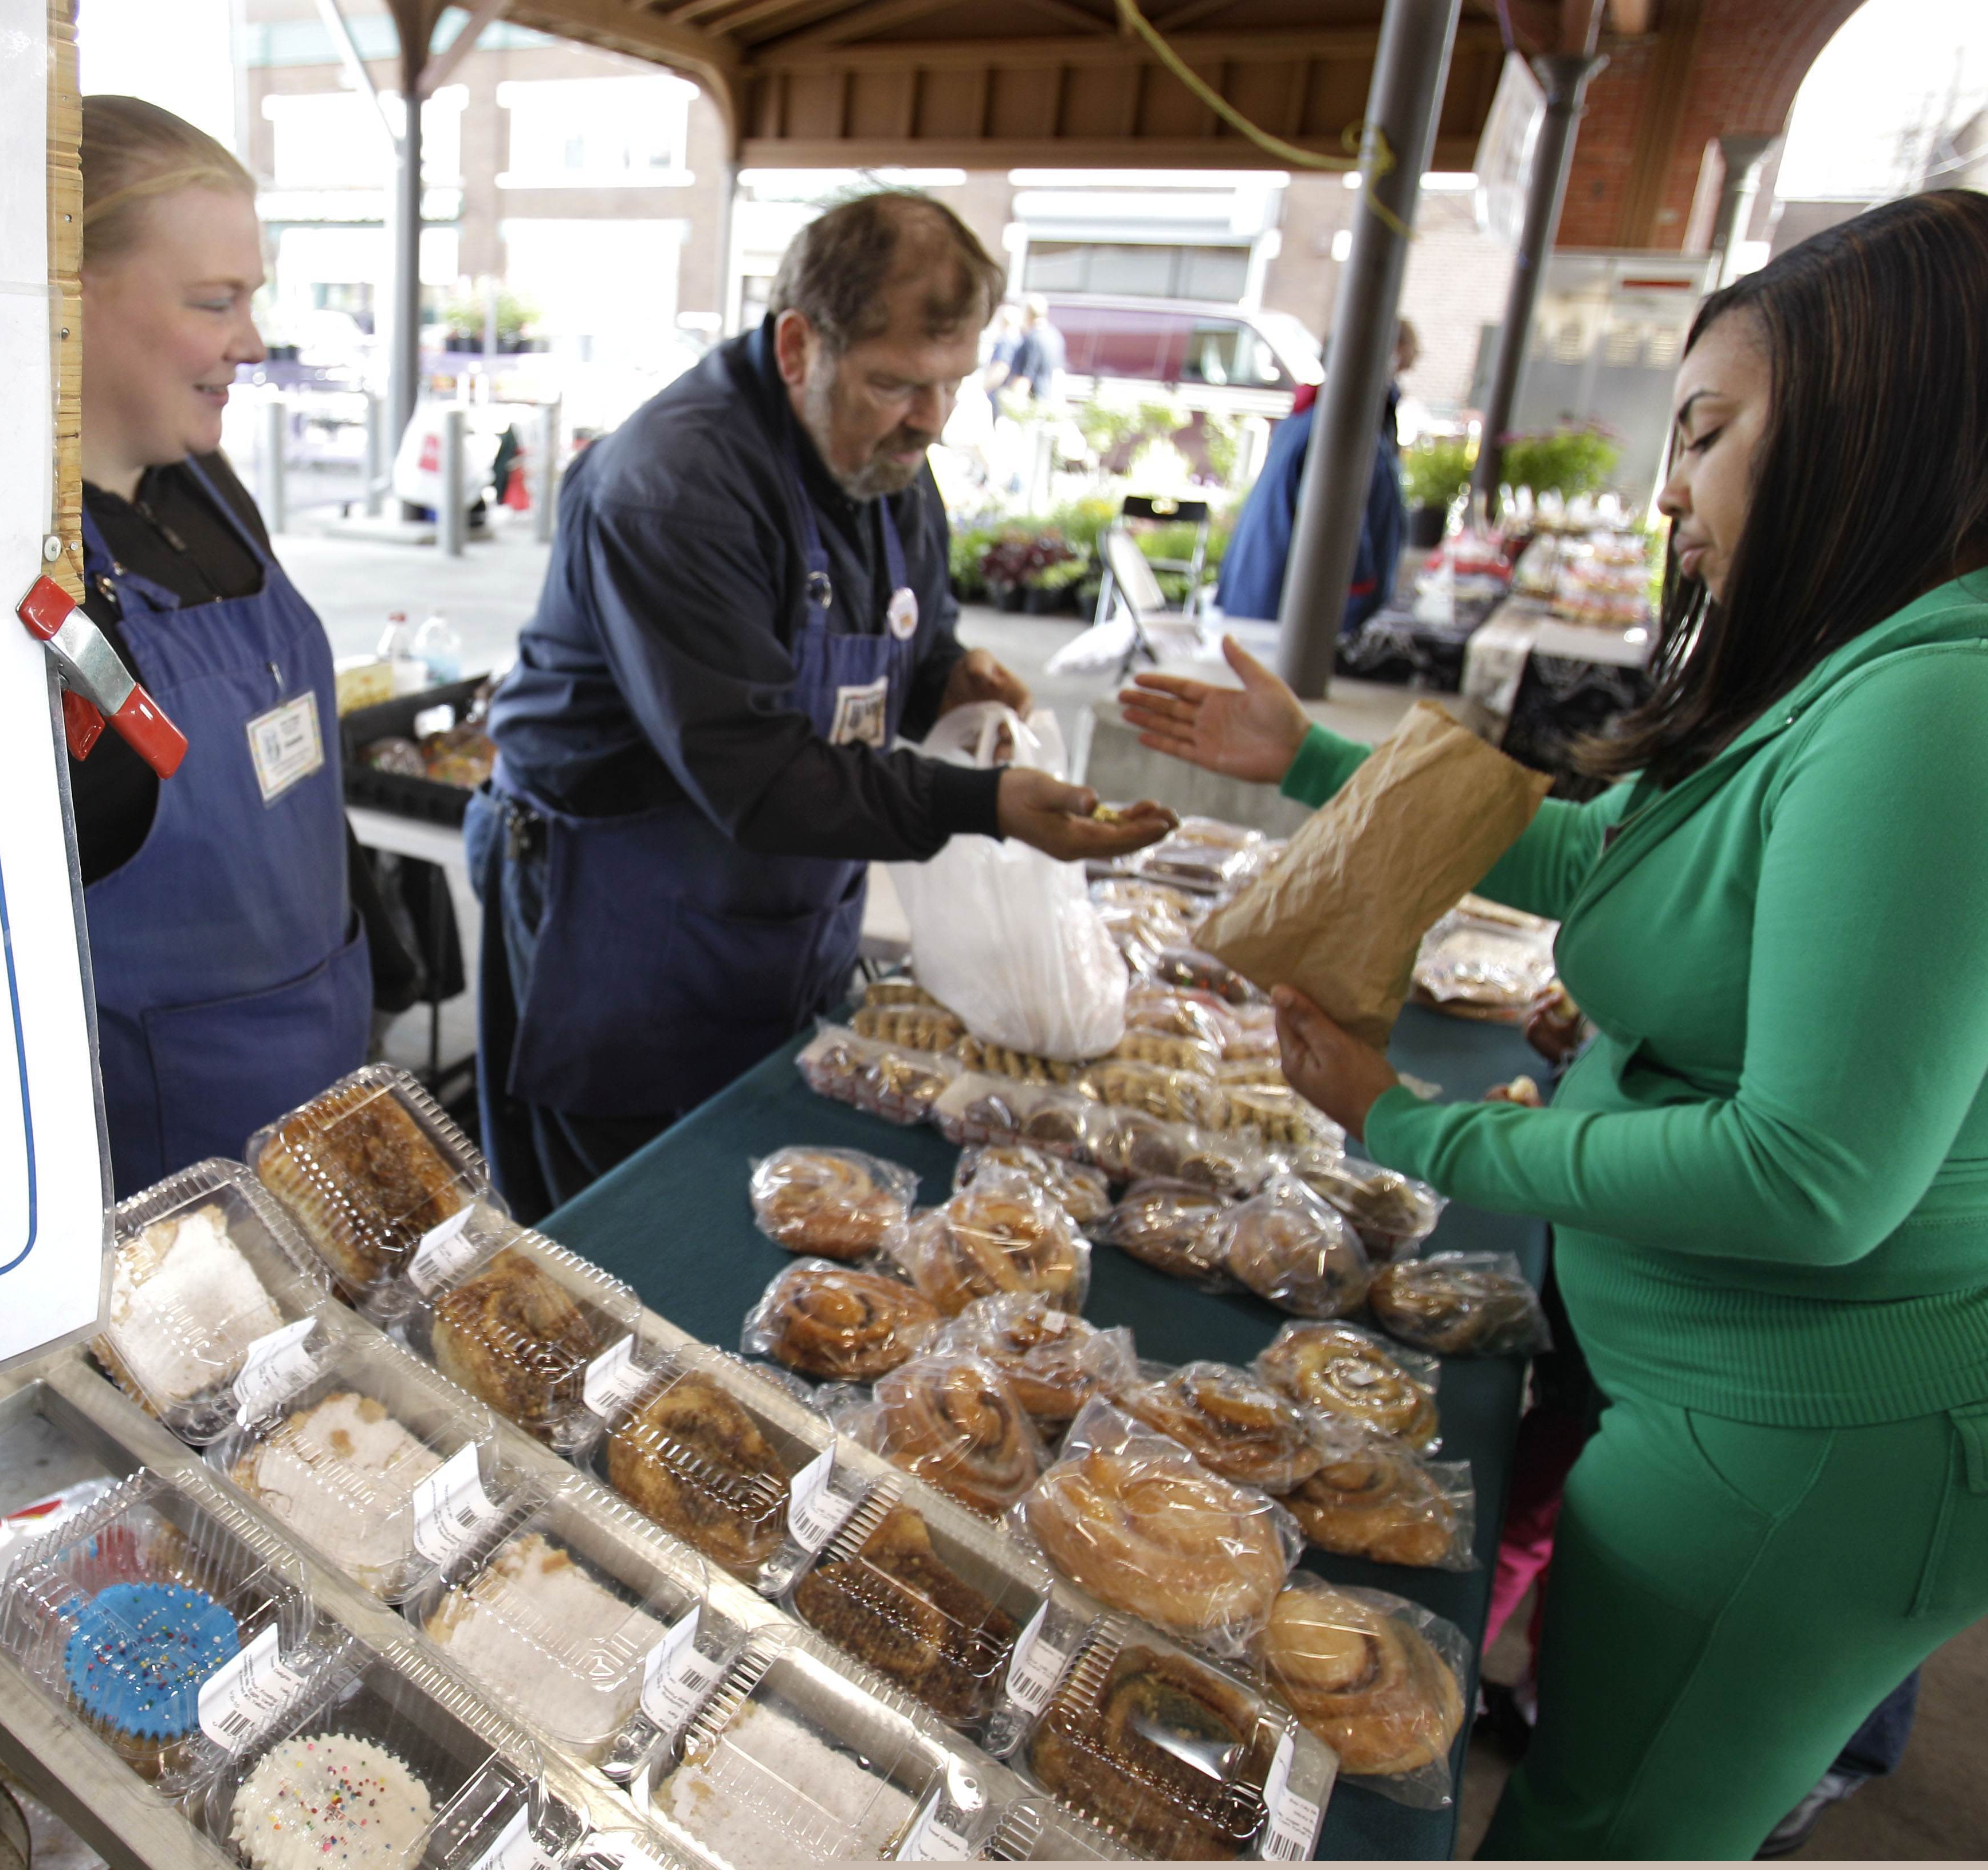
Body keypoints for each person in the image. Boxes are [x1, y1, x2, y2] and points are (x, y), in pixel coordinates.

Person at [1119, 190, 1988, 1857]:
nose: (1668, 487)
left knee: (1603, 1827)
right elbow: (1631, 852)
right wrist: (1310, 758)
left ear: (1880, 428)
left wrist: (1410, 1121)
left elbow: (1816, 1175)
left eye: (1711, 432)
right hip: (1728, 1406)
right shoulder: (1864, 667)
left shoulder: (1936, 706)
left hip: (1809, 1444)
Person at [469, 192, 1175, 1221]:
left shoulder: (888, 458)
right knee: (622, 1234)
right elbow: (756, 772)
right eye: (895, 383)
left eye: (952, 385)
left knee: (758, 1191)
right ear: (798, 345)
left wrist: (949, 676)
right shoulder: (672, 487)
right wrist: (982, 802)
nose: (930, 420)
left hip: (783, 913)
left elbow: (908, 630)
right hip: (630, 917)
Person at [68, 97, 369, 1195]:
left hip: (321, 1052)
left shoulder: (203, 482)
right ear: (71, 290)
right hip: (166, 1129)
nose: (251, 339)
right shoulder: (25, 556)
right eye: (215, 301)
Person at [1215, 319, 1416, 632]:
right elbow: (1342, 522)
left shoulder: (1316, 414)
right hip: (1287, 613)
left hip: (1266, 599)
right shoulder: (1342, 425)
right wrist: (1358, 597)